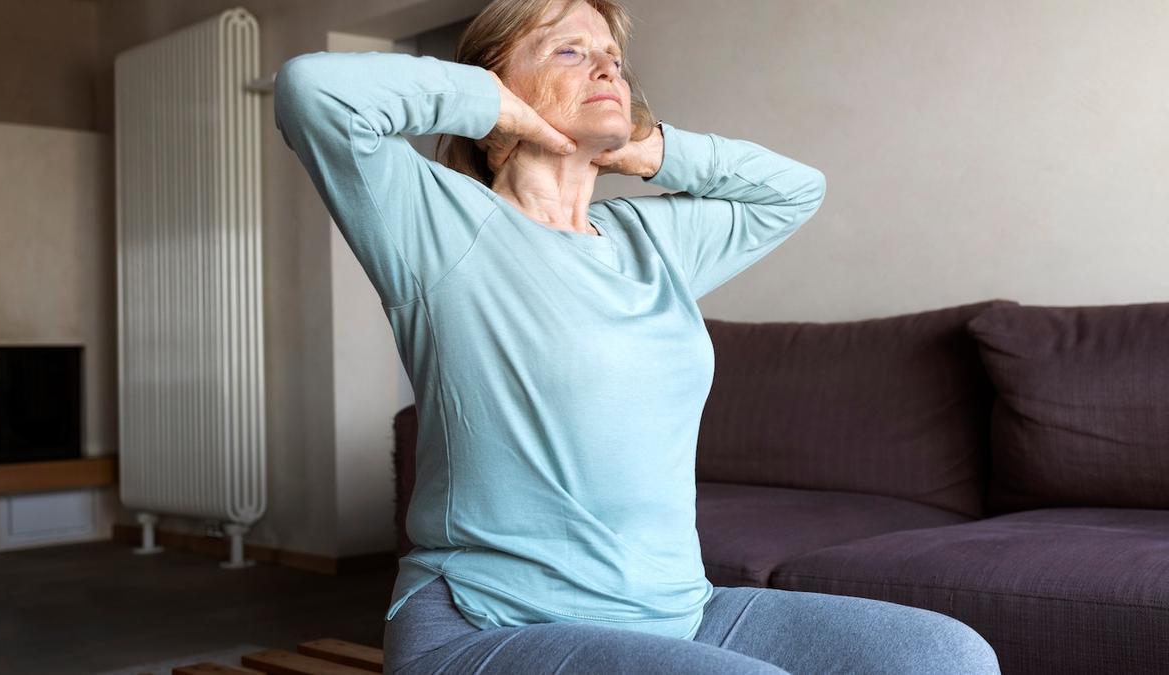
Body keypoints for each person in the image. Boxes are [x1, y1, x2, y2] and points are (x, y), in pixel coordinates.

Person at [274, 0, 1001, 672]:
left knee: (948, 656)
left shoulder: (652, 238)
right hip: (490, 625)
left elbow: (795, 189)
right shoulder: (438, 225)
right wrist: (491, 106)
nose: (606, 67)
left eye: (613, 57)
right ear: (495, 81)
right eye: (567, 50)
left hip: (680, 613)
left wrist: (648, 152)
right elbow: (314, 91)